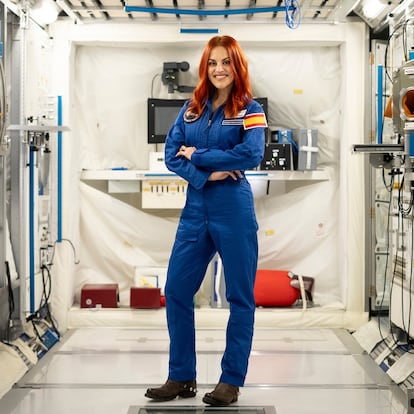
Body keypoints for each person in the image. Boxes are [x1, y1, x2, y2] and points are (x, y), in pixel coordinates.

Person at [145, 35, 267, 406]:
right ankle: (181, 376)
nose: (219, 69)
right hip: (197, 207)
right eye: (213, 63)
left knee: (239, 297)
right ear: (205, 67)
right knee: (179, 291)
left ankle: (231, 380)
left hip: (234, 208)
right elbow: (171, 155)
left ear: (237, 66)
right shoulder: (191, 108)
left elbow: (252, 154)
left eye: (226, 62)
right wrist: (207, 172)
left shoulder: (250, 108)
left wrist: (200, 154)